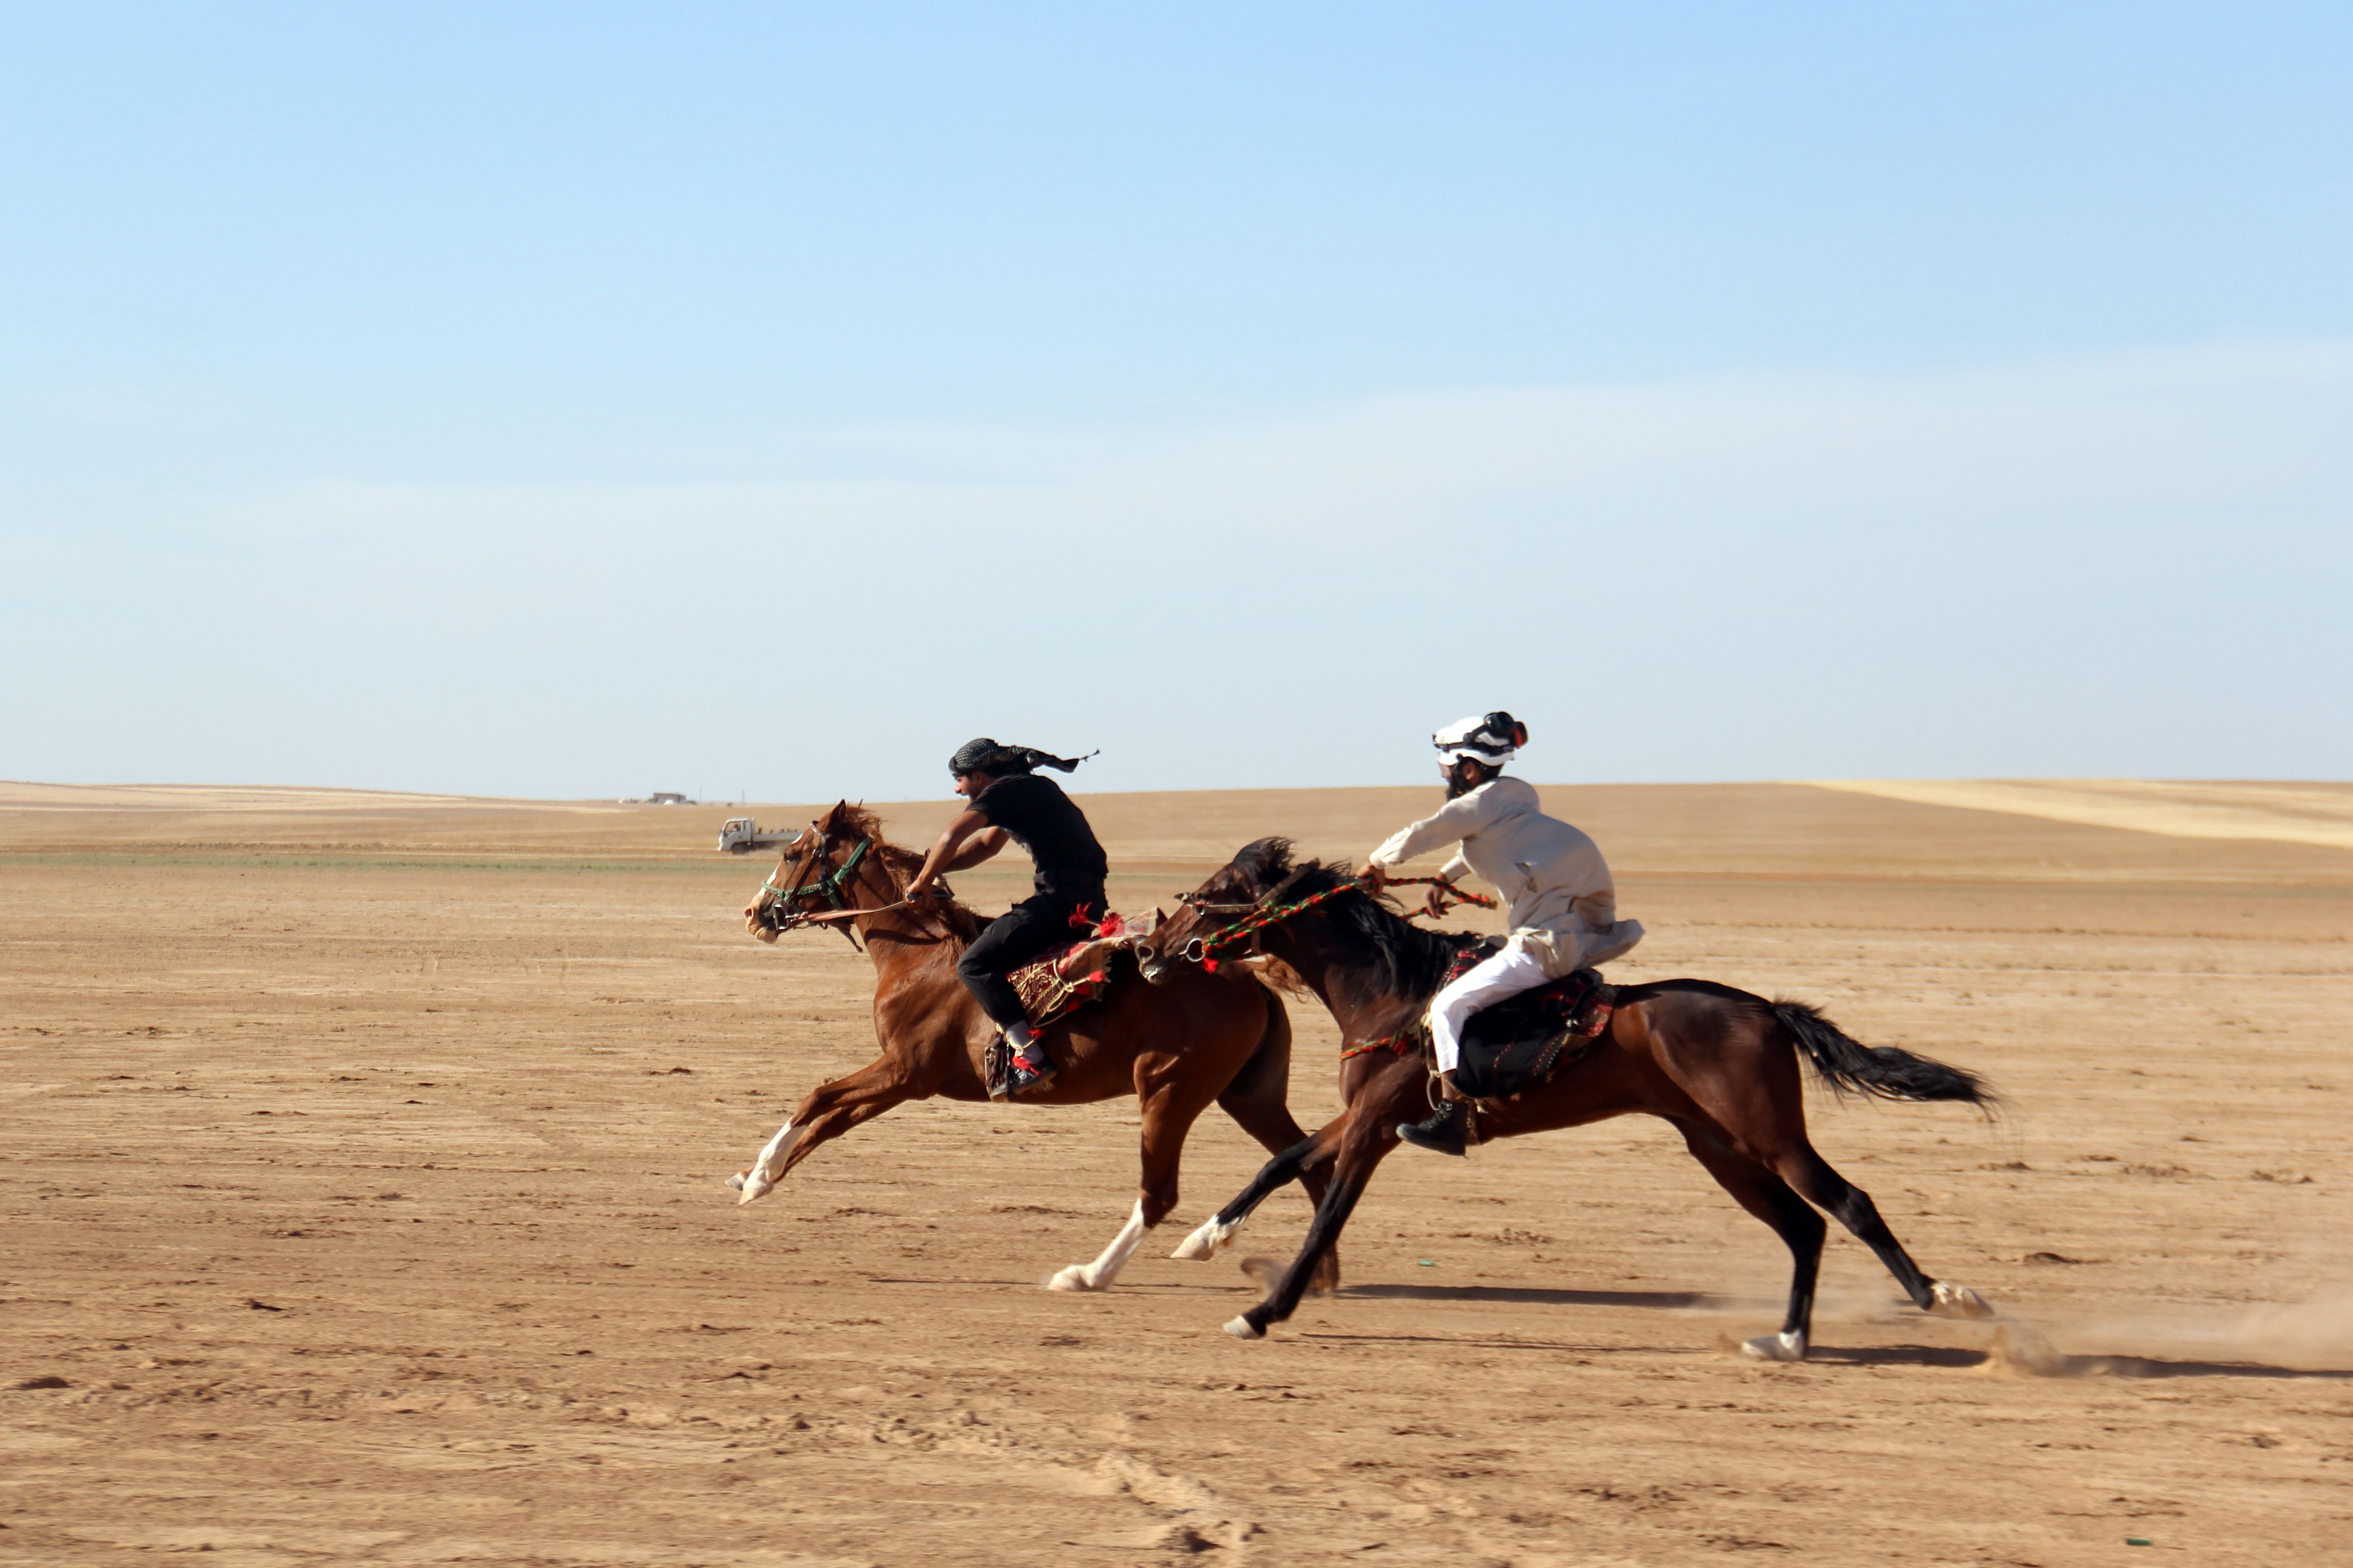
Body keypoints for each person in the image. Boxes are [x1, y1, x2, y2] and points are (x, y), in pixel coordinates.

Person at [1363, 711, 1644, 1155]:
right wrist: (1444, 876)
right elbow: (1483, 841)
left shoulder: (1478, 805)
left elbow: (1429, 831)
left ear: (1470, 769)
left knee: (1446, 1006)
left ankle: (1453, 1115)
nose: (1446, 777)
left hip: (1543, 946)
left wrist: (1376, 862)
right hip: (1575, 935)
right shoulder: (1510, 805)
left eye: (1449, 768)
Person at [903, 739, 1108, 1097]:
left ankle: (1032, 1056)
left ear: (979, 776)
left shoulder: (1006, 791)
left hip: (1062, 901)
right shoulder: (1026, 790)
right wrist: (930, 866)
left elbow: (953, 834)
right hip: (1085, 898)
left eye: (960, 780)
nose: (957, 788)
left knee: (974, 965)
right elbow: (984, 847)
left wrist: (921, 882)